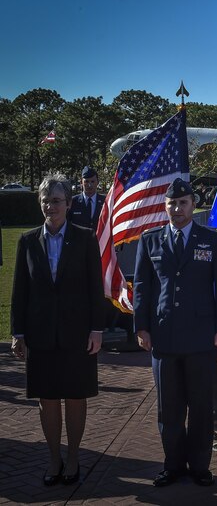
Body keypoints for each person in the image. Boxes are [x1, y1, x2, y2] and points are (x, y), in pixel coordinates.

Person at [133, 178, 217, 488]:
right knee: (169, 408)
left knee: (201, 406)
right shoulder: (150, 240)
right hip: (164, 336)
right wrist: (141, 327)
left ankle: (200, 466)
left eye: (183, 203)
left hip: (202, 336)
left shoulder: (212, 240)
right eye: (171, 204)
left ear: (193, 205)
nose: (176, 209)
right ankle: (173, 464)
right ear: (165, 206)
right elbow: (142, 287)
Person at [10, 174, 104, 486]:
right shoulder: (27, 241)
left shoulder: (85, 238)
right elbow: (19, 292)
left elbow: (94, 289)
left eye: (57, 201)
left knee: (76, 397)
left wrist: (96, 330)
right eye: (46, 201)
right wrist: (18, 333)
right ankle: (54, 457)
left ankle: (74, 456)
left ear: (68, 203)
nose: (51, 206)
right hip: (40, 335)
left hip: (77, 335)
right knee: (47, 399)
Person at [68, 166, 105, 230]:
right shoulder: (73, 202)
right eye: (86, 182)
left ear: (98, 182)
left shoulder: (105, 201)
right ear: (81, 182)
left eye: (92, 181)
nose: (89, 185)